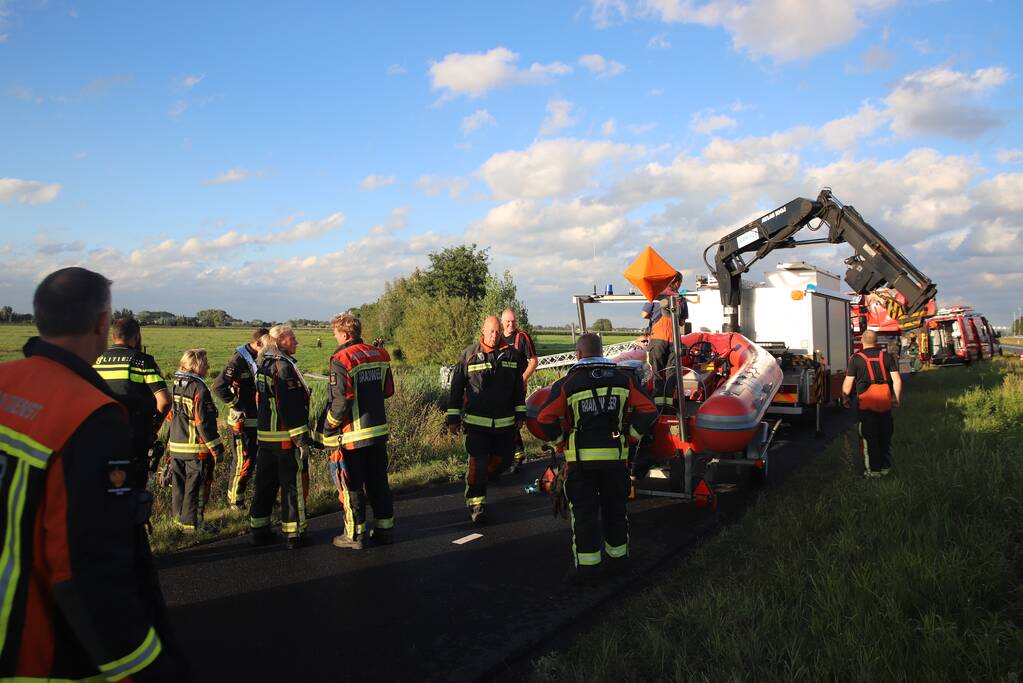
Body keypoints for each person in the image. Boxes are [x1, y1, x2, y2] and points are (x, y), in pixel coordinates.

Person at [0, 267, 185, 680]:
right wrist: (149, 668)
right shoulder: (91, 417)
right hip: (36, 650)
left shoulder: (5, 381)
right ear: (102, 322)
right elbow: (87, 570)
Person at [534, 333, 657, 581]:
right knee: (615, 511)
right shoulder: (623, 379)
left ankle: (588, 570)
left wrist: (561, 443)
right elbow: (648, 410)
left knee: (584, 515)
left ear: (578, 354)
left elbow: (544, 418)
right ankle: (619, 563)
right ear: (602, 353)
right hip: (615, 459)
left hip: (581, 462)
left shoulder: (568, 383)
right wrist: (631, 437)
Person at [315, 314, 396, 549]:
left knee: (352, 487)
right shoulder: (380, 354)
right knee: (378, 483)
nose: (335, 338)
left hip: (352, 436)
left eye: (336, 334)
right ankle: (385, 530)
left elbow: (341, 402)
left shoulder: (342, 358)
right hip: (378, 432)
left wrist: (327, 427)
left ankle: (354, 535)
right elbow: (388, 390)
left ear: (345, 334)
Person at [446, 316, 526, 523]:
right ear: (482, 330)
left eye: (498, 332)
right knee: (477, 465)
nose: (494, 335)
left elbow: (518, 388)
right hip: (476, 425)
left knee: (505, 461)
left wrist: (520, 413)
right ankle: (476, 505)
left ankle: (489, 475)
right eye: (491, 331)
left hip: (505, 425)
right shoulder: (469, 355)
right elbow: (456, 388)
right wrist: (453, 417)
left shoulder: (512, 356)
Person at [249, 324, 312, 549]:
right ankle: (295, 534)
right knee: (291, 485)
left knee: (265, 484)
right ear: (281, 341)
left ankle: (259, 529)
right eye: (293, 338)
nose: (296, 342)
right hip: (285, 437)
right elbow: (290, 407)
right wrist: (301, 439)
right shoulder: (283, 367)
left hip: (265, 436)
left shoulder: (263, 364)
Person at [93, 316, 171, 487]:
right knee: (133, 492)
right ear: (136, 337)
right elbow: (164, 401)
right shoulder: (142, 361)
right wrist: (154, 427)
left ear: (113, 336)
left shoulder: (96, 361)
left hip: (100, 438)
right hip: (135, 438)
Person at [167, 348, 224, 531]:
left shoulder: (175, 384)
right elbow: (204, 423)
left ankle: (179, 524)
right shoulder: (199, 388)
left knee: (179, 488)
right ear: (197, 365)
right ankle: (194, 526)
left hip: (176, 447)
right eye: (205, 363)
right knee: (196, 489)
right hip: (195, 449)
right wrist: (216, 448)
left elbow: (169, 416)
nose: (208, 366)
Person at [213, 327, 268, 510]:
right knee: (243, 461)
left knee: (253, 461)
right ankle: (235, 502)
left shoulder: (259, 357)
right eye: (266, 346)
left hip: (257, 420)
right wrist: (238, 405)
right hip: (242, 423)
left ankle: (245, 499)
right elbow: (219, 387)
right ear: (258, 343)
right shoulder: (238, 359)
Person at [842, 329, 902, 478]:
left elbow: (848, 382)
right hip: (884, 403)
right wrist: (896, 398)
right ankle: (885, 469)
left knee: (869, 438)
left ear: (862, 341)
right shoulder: (887, 357)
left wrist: (845, 398)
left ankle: (872, 473)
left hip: (866, 404)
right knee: (885, 436)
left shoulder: (856, 358)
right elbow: (897, 380)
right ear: (876, 342)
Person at [501, 307, 537, 474]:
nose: (511, 324)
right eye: (508, 321)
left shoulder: (522, 337)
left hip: (517, 387)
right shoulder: (498, 337)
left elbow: (533, 360)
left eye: (513, 321)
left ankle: (518, 456)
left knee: (514, 420)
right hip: (501, 388)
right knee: (502, 420)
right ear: (502, 322)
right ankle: (507, 456)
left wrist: (523, 378)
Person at [640, 271, 688, 388]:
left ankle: (658, 401)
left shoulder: (656, 295)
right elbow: (682, 322)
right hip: (674, 340)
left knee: (657, 372)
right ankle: (669, 403)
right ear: (677, 283)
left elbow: (644, 314)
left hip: (657, 339)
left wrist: (655, 315)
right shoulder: (681, 298)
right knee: (672, 371)